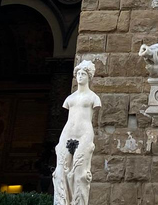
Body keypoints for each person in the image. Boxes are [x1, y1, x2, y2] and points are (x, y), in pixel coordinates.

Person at [53, 60, 101, 205]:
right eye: (78, 74)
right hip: (67, 133)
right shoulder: (70, 99)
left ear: (89, 77)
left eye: (83, 74)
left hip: (84, 135)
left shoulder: (93, 98)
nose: (80, 77)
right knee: (60, 172)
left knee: (80, 174)